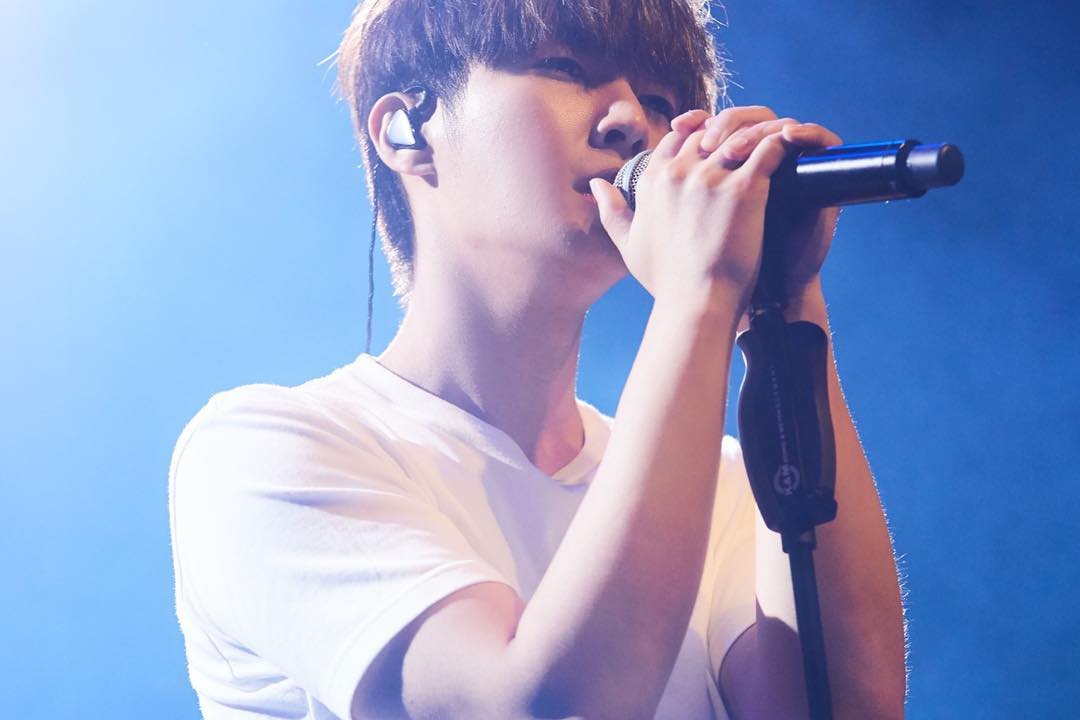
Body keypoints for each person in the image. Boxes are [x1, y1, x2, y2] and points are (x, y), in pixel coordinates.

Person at [168, 1, 907, 718]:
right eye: (566, 67)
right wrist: (699, 291)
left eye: (659, 100)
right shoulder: (266, 452)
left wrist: (783, 295)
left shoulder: (723, 479)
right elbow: (544, 707)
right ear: (405, 129)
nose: (631, 121)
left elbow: (849, 709)